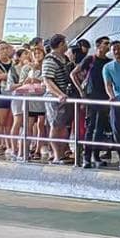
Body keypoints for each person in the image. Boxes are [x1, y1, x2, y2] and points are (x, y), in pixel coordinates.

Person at [40, 34, 76, 164]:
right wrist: (59, 94)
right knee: (56, 125)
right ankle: (56, 154)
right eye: (65, 43)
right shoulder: (49, 60)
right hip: (55, 99)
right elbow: (48, 81)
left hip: (66, 96)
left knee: (64, 125)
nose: (67, 45)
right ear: (61, 44)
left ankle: (63, 152)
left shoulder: (64, 59)